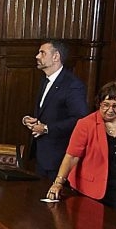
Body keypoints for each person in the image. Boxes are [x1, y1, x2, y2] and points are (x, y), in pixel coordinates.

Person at [47, 81, 116, 212]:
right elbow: (72, 156)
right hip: (89, 190)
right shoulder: (86, 124)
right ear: (99, 104)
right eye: (105, 105)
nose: (110, 110)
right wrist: (58, 183)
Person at [22, 40, 88, 180]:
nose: (37, 56)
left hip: (58, 158)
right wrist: (30, 121)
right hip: (41, 155)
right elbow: (46, 112)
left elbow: (80, 119)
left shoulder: (73, 85)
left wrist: (47, 128)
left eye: (42, 53)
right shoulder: (45, 80)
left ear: (56, 56)